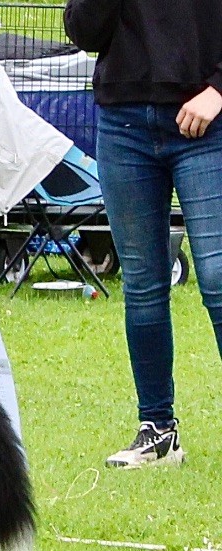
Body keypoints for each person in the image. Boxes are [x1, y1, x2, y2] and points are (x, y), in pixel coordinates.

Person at [64, 0, 222, 469]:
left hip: (207, 124)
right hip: (124, 123)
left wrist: (218, 91)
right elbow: (83, 30)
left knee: (217, 277)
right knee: (143, 285)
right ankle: (158, 432)